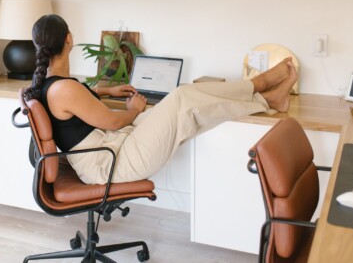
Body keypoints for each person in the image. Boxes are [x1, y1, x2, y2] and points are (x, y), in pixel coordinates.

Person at [23, 14, 298, 185]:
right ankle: (259, 87)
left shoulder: (48, 85)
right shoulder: (63, 90)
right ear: (69, 40)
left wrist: (108, 91)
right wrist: (133, 109)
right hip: (110, 164)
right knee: (180, 98)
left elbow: (75, 103)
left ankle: (264, 97)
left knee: (188, 107)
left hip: (109, 151)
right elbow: (114, 121)